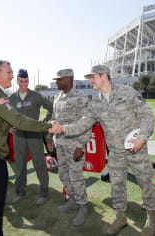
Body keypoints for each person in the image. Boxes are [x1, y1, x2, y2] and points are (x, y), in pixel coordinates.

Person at [50, 65, 155, 235]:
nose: (90, 81)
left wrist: (142, 138)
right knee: (117, 186)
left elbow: (147, 115)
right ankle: (120, 217)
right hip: (115, 152)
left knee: (145, 183)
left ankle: (152, 217)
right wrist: (62, 129)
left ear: (104, 76)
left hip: (136, 149)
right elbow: (83, 124)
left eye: (93, 77)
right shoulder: (96, 103)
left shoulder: (126, 92)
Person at [0, 60, 53, 236]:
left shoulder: (0, 93)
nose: (13, 77)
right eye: (10, 72)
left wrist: (8, 126)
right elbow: (18, 120)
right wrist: (48, 126)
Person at [46, 68, 91, 226]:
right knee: (63, 174)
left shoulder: (80, 98)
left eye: (59, 79)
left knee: (76, 177)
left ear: (68, 79)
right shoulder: (58, 97)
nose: (57, 82)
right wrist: (50, 138)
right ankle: (72, 200)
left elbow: (87, 124)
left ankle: (83, 207)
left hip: (74, 146)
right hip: (61, 144)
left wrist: (80, 146)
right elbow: (53, 119)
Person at [9, 68, 53, 205]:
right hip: (19, 136)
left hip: (34, 135)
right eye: (21, 81)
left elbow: (51, 108)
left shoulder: (36, 96)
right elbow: (6, 114)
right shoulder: (11, 98)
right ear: (17, 81)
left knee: (39, 164)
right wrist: (9, 127)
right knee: (20, 165)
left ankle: (44, 192)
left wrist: (43, 124)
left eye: (26, 81)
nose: (23, 84)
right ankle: (20, 192)